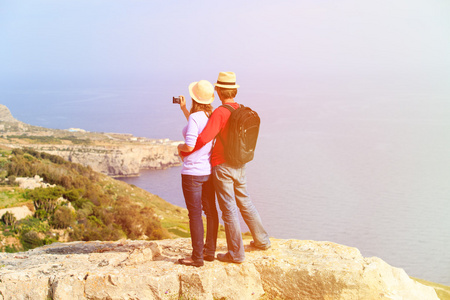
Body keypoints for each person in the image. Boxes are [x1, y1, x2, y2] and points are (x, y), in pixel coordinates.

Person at [180, 72, 270, 264]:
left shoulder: (220, 112)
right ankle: (262, 240)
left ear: (219, 91)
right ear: (234, 91)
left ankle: (236, 254)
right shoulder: (240, 109)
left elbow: (204, 138)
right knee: (245, 202)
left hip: (223, 166)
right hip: (240, 163)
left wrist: (185, 152)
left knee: (228, 209)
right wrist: (186, 111)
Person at [176, 80, 219, 267]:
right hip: (208, 172)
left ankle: (196, 257)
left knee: (194, 215)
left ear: (194, 97)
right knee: (210, 211)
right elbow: (199, 126)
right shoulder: (210, 116)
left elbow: (191, 144)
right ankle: (209, 252)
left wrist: (179, 147)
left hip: (192, 173)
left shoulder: (196, 118)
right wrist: (184, 109)